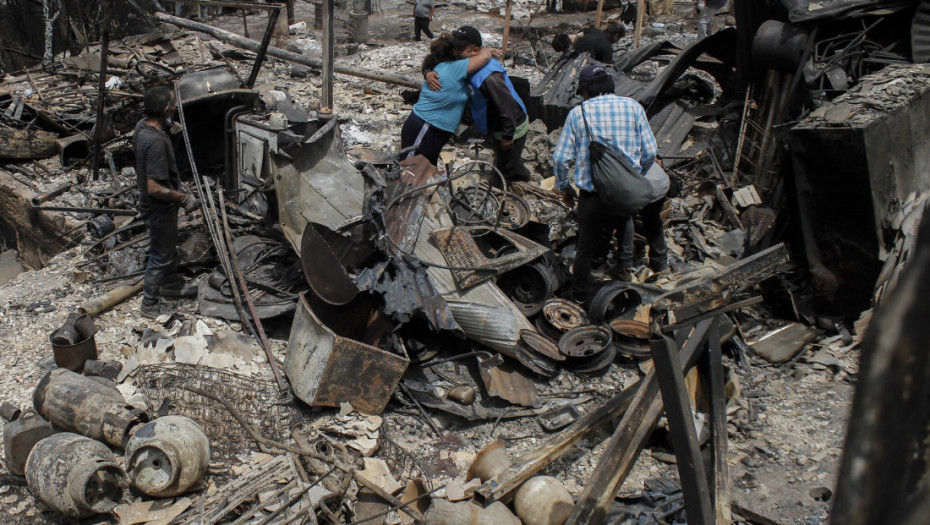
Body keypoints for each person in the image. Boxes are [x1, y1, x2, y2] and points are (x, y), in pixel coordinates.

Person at [552, 65, 657, 298]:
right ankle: (624, 269)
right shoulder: (633, 107)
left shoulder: (579, 114)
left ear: (585, 90)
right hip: (625, 191)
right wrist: (635, 175)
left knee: (585, 246)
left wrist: (564, 187)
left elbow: (560, 158)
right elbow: (650, 151)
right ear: (610, 85)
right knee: (624, 219)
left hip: (593, 195)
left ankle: (580, 292)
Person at [425, 26, 531, 183]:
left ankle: (512, 186)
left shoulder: (489, 77)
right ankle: (511, 175)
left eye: (460, 49)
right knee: (502, 158)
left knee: (507, 165)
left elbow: (507, 107)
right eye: (454, 47)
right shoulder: (465, 61)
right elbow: (433, 59)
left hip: (512, 126)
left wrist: (508, 136)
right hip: (496, 125)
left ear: (475, 51)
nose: (455, 52)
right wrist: (427, 72)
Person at [134, 86, 200, 318]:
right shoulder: (155, 142)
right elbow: (154, 187)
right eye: (172, 106)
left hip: (154, 206)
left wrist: (173, 136)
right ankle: (149, 304)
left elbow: (164, 162)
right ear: (165, 110)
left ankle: (170, 284)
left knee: (166, 246)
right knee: (159, 255)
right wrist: (184, 198)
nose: (175, 109)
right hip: (159, 207)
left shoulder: (142, 127)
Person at [401, 33, 498, 166]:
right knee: (409, 169)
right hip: (426, 127)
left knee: (424, 171)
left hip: (436, 130)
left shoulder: (450, 68)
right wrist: (486, 50)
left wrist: (426, 72)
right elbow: (485, 56)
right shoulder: (454, 68)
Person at [553, 24, 625, 64]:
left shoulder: (595, 30)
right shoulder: (607, 48)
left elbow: (579, 34)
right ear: (616, 36)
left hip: (575, 57)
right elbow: (607, 67)